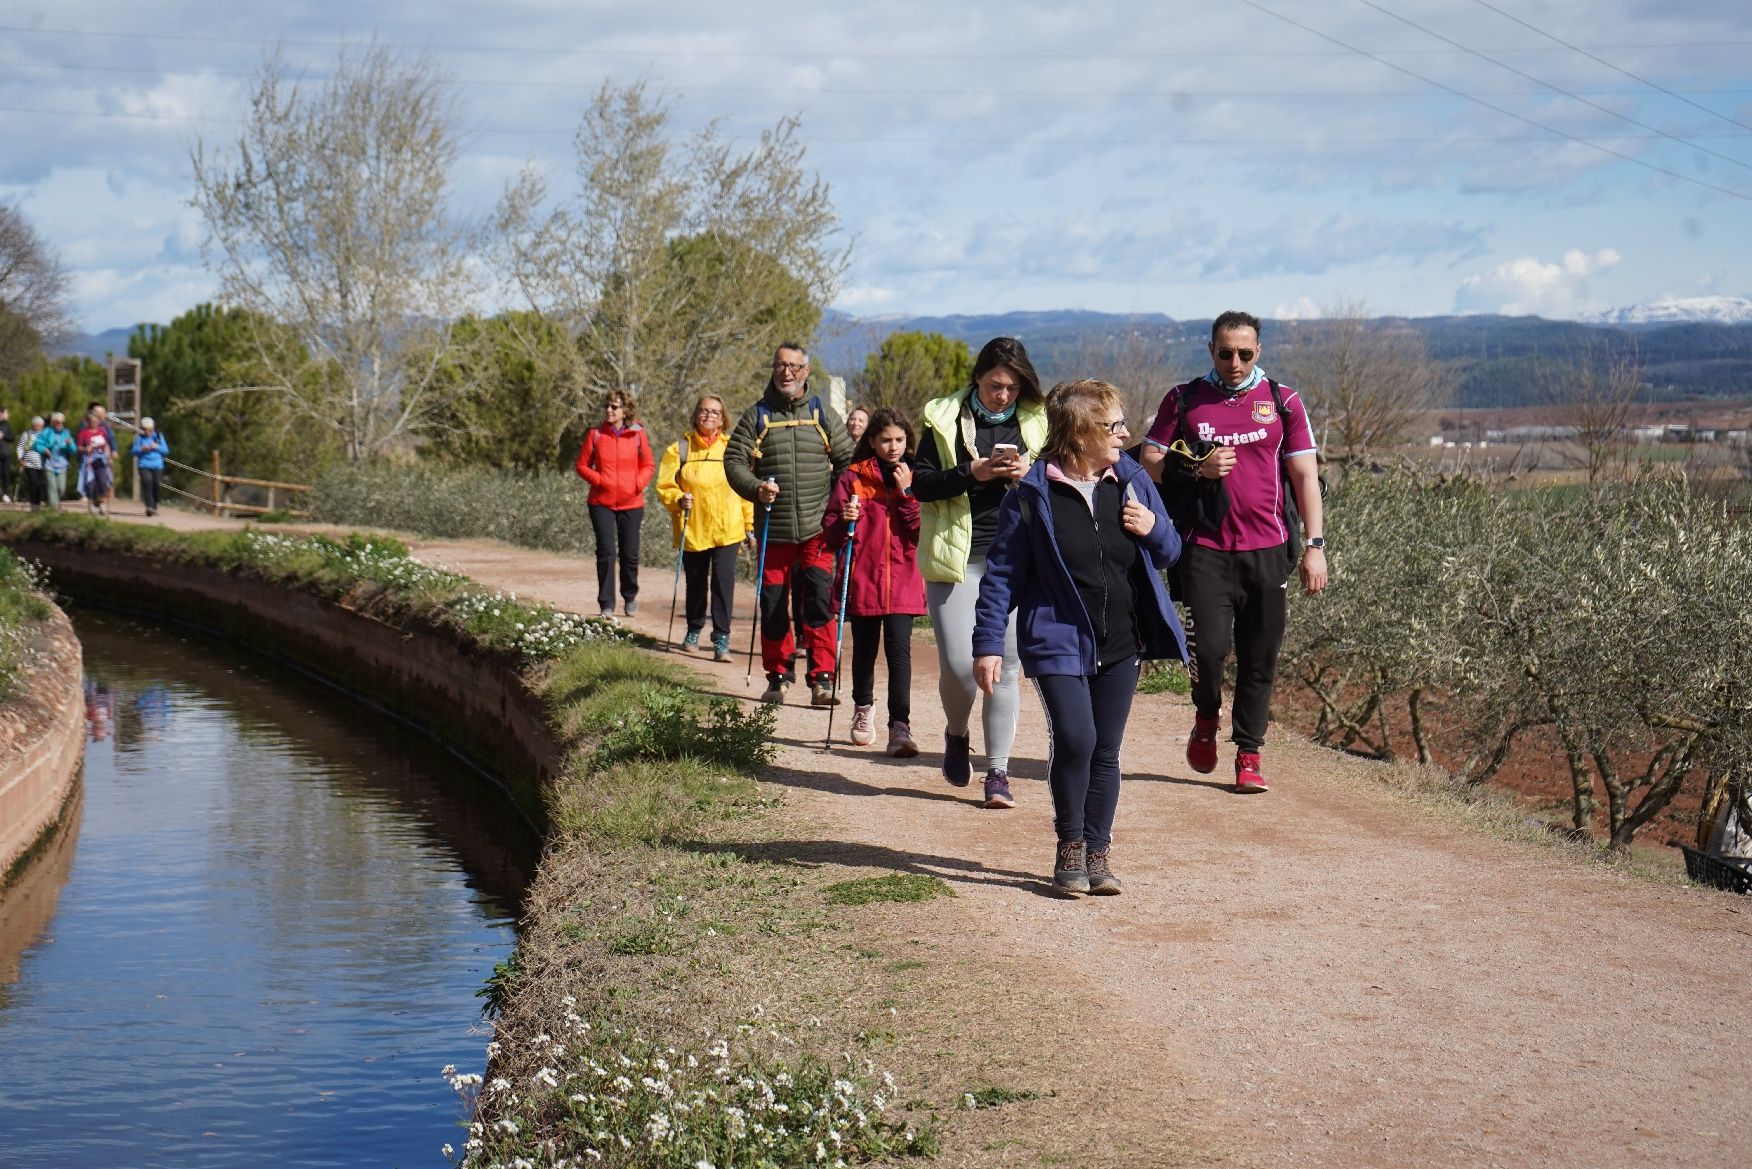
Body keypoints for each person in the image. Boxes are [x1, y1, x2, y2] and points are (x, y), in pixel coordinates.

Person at [974, 379, 1186, 896]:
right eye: (1114, 425)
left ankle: (1098, 848)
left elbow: (1170, 550)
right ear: (1081, 431)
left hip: (1121, 639)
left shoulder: (1132, 479)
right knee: (1077, 740)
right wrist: (986, 642)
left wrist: (1153, 527)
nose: (1124, 434)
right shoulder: (1032, 494)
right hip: (1057, 637)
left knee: (1106, 750)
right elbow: (1001, 572)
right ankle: (1069, 841)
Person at [1140, 310, 1328, 794]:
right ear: (1211, 351)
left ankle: (1248, 753)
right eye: (1226, 353)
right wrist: (1198, 467)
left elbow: (1305, 476)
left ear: (1258, 352)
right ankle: (1206, 716)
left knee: (1260, 656)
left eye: (1245, 353)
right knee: (1212, 651)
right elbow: (1151, 461)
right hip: (1203, 548)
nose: (1235, 362)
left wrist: (1316, 545)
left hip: (1267, 549)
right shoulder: (1184, 398)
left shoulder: (1282, 401)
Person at [912, 337, 1048, 809]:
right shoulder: (942, 419)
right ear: (977, 378)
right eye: (995, 385)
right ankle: (955, 732)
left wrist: (1029, 472)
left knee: (1004, 669)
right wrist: (974, 472)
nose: (1004, 396)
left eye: (1012, 388)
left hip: (1013, 561)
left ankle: (998, 773)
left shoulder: (1037, 421)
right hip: (955, 559)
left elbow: (1060, 479)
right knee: (959, 668)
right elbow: (921, 485)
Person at [725, 342, 854, 706]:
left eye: (795, 367)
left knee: (818, 603)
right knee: (773, 603)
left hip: (817, 531)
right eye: (781, 365)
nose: (788, 373)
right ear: (773, 368)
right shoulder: (758, 416)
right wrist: (756, 488)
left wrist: (839, 505)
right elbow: (733, 462)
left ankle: (822, 678)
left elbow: (847, 460)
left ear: (806, 371)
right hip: (773, 531)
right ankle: (778, 676)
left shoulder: (821, 413)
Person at [822, 406, 925, 756]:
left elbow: (919, 530)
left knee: (899, 654)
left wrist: (907, 493)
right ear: (872, 441)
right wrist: (844, 518)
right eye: (885, 440)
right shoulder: (852, 478)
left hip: (903, 580)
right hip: (864, 578)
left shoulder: (915, 475)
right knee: (864, 652)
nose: (894, 446)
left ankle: (901, 726)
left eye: (899, 439)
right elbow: (832, 531)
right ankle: (863, 710)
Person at [655, 394, 754, 662]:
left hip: (728, 528)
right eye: (704, 411)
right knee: (696, 584)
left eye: (715, 412)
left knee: (723, 584)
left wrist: (749, 527)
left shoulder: (733, 448)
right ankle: (694, 629)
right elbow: (664, 486)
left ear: (723, 418)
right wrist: (678, 498)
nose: (709, 416)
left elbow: (745, 490)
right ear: (695, 414)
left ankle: (722, 638)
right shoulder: (680, 450)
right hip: (694, 528)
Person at [575, 389, 654, 618]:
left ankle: (629, 596)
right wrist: (601, 480)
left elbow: (649, 465)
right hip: (601, 502)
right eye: (607, 406)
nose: (609, 410)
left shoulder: (638, 434)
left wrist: (636, 484)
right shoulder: (596, 434)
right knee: (606, 553)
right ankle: (606, 604)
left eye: (615, 407)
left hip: (632, 502)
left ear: (625, 411)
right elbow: (581, 466)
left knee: (630, 553)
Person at [34, 413, 76, 509]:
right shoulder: (46, 432)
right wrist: (44, 449)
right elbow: (37, 444)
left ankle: (53, 503)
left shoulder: (66, 433)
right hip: (49, 464)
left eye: (62, 423)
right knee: (52, 487)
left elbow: (73, 449)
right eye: (57, 422)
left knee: (61, 488)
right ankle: (54, 508)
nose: (60, 424)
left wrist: (69, 444)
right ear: (53, 423)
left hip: (62, 465)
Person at [77, 413, 114, 515]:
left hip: (101, 460)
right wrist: (85, 449)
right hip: (89, 461)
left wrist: (109, 457)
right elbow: (79, 448)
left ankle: (103, 505)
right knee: (90, 484)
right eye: (92, 421)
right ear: (88, 422)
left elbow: (106, 445)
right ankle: (91, 505)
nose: (95, 423)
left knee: (103, 482)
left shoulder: (102, 431)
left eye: (96, 421)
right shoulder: (83, 433)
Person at [131, 418, 169, 516]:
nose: (147, 432)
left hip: (157, 465)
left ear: (153, 429)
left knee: (156, 484)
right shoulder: (140, 438)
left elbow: (166, 450)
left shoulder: (159, 436)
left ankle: (154, 505)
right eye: (145, 430)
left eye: (149, 430)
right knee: (147, 482)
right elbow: (133, 451)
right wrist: (141, 449)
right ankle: (149, 506)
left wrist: (157, 447)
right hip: (144, 465)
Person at [16, 416, 46, 510]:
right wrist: (20, 458)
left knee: (41, 484)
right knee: (33, 482)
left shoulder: (45, 434)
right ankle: (34, 504)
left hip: (42, 464)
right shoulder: (27, 434)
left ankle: (39, 502)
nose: (39, 427)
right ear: (33, 425)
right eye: (37, 425)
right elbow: (20, 447)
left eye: (41, 425)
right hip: (29, 464)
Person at [0, 407, 14, 503]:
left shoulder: (7, 425)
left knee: (6, 474)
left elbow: (12, 438)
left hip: (5, 454)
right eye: (6, 413)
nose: (8, 415)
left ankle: (5, 494)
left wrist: (3, 436)